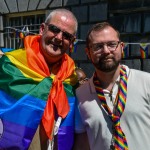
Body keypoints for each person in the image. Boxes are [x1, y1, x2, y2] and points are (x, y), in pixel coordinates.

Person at [0, 8, 80, 150]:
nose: (59, 37)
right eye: (54, 29)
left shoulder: (72, 78)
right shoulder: (9, 65)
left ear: (72, 42)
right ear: (42, 29)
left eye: (66, 35)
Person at [75, 22, 150, 150]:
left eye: (111, 44)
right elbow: (83, 144)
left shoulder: (146, 82)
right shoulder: (80, 95)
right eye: (98, 46)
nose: (106, 51)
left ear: (121, 47)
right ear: (88, 52)